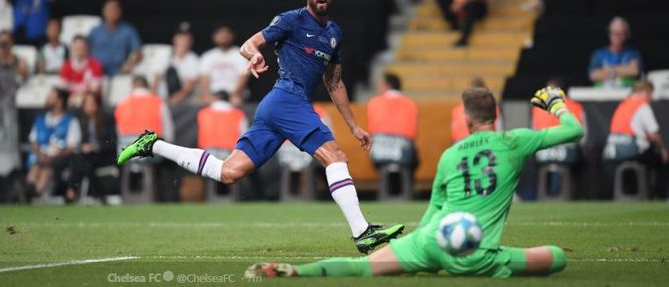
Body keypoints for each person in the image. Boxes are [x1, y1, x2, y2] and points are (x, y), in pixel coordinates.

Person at [117, 0, 405, 254]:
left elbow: (334, 82)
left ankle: (153, 145)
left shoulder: (334, 33)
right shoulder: (291, 20)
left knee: (228, 172)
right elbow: (250, 44)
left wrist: (354, 126)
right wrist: (255, 55)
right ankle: (362, 232)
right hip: (287, 99)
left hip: (277, 108)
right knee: (336, 157)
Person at [246, 86, 583, 279]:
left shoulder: (451, 155)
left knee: (361, 269)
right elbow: (574, 131)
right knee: (557, 257)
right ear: (495, 115)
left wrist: (426, 250)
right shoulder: (514, 141)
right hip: (476, 253)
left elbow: (434, 209)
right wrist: (556, 104)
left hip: (430, 241)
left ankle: (296, 273)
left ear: (466, 118)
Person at [604, 81, 669, 198]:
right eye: (650, 94)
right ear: (644, 92)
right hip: (633, 151)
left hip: (613, 153)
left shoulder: (622, 105)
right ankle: (660, 196)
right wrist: (663, 150)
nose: (651, 98)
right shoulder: (642, 106)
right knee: (662, 159)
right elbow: (655, 134)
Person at [25, 87, 82, 200]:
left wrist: (54, 157)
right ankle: (28, 195)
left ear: (60, 101)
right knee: (35, 169)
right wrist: (41, 155)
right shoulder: (40, 120)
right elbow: (34, 141)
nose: (47, 98)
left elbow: (71, 147)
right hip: (40, 158)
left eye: (51, 96)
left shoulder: (71, 121)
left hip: (59, 161)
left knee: (46, 171)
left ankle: (34, 197)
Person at [68, 91, 117, 202]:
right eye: (87, 104)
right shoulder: (79, 120)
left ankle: (72, 190)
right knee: (83, 161)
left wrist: (96, 147)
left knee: (85, 161)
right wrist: (83, 147)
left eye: (92, 104)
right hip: (85, 155)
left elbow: (112, 142)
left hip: (104, 154)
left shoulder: (107, 119)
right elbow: (75, 141)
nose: (89, 107)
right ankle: (97, 194)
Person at [367, 73, 418, 168]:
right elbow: (413, 132)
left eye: (380, 84)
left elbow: (371, 128)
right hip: (404, 151)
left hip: (378, 152)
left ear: (387, 85)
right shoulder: (411, 104)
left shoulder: (373, 102)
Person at [87, 0, 142, 76]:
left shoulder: (128, 30)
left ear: (120, 12)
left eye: (114, 10)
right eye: (109, 10)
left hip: (119, 72)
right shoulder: (95, 31)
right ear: (104, 12)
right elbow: (85, 49)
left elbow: (137, 52)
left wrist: (130, 64)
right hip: (96, 72)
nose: (111, 13)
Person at [114, 75, 174, 142]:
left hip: (127, 145)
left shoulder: (122, 103)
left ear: (132, 86)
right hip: (151, 145)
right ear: (147, 86)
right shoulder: (159, 102)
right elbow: (168, 131)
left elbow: (119, 130)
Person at [199, 25, 248, 105]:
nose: (223, 36)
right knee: (204, 99)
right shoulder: (207, 56)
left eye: (226, 33)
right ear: (214, 37)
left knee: (236, 100)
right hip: (213, 94)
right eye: (220, 33)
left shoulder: (241, 54)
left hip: (232, 95)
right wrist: (207, 96)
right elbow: (204, 81)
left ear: (232, 36)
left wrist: (233, 95)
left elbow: (243, 78)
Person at [152, 23, 199, 106]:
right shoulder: (164, 54)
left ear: (191, 40)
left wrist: (170, 102)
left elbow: (188, 88)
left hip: (182, 103)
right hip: (161, 99)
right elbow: (156, 80)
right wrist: (153, 100)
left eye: (187, 37)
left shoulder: (194, 59)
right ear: (175, 39)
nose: (184, 39)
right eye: (181, 36)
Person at [588, 17, 643, 88]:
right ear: (609, 34)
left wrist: (608, 70)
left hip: (627, 92)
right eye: (614, 33)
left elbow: (634, 71)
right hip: (603, 93)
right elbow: (593, 75)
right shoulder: (599, 54)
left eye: (621, 33)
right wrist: (623, 69)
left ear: (626, 35)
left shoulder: (633, 53)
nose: (617, 36)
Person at [197, 90, 248, 155]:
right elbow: (244, 135)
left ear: (215, 98)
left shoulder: (203, 113)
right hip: (230, 151)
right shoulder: (239, 114)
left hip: (206, 150)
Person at [451, 77, 501, 143]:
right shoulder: (492, 106)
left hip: (461, 143)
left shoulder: (458, 109)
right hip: (485, 140)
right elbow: (500, 128)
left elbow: (454, 130)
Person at [59, 35, 103, 106]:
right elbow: (64, 87)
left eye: (81, 47)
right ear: (72, 49)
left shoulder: (95, 65)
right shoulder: (66, 66)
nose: (79, 50)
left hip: (90, 101)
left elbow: (95, 88)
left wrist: (80, 96)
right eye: (76, 48)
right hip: (71, 100)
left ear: (86, 48)